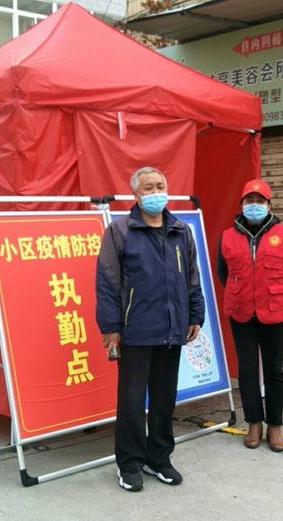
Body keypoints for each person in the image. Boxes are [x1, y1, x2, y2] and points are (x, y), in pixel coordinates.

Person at [96, 166, 204, 492]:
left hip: (172, 330)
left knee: (164, 399)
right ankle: (130, 463)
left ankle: (159, 459)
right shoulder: (120, 231)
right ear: (136, 195)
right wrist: (110, 327)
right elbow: (107, 282)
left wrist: (195, 315)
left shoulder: (181, 231)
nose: (156, 193)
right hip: (136, 331)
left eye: (160, 186)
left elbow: (192, 278)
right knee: (131, 402)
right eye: (149, 188)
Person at [217, 179, 283, 452]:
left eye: (260, 201)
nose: (254, 205)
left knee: (274, 370)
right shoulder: (227, 236)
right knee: (247, 370)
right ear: (241, 204)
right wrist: (244, 294)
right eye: (249, 200)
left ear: (269, 205)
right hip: (241, 312)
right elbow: (223, 272)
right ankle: (254, 423)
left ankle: (274, 425)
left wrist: (276, 296)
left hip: (273, 313)